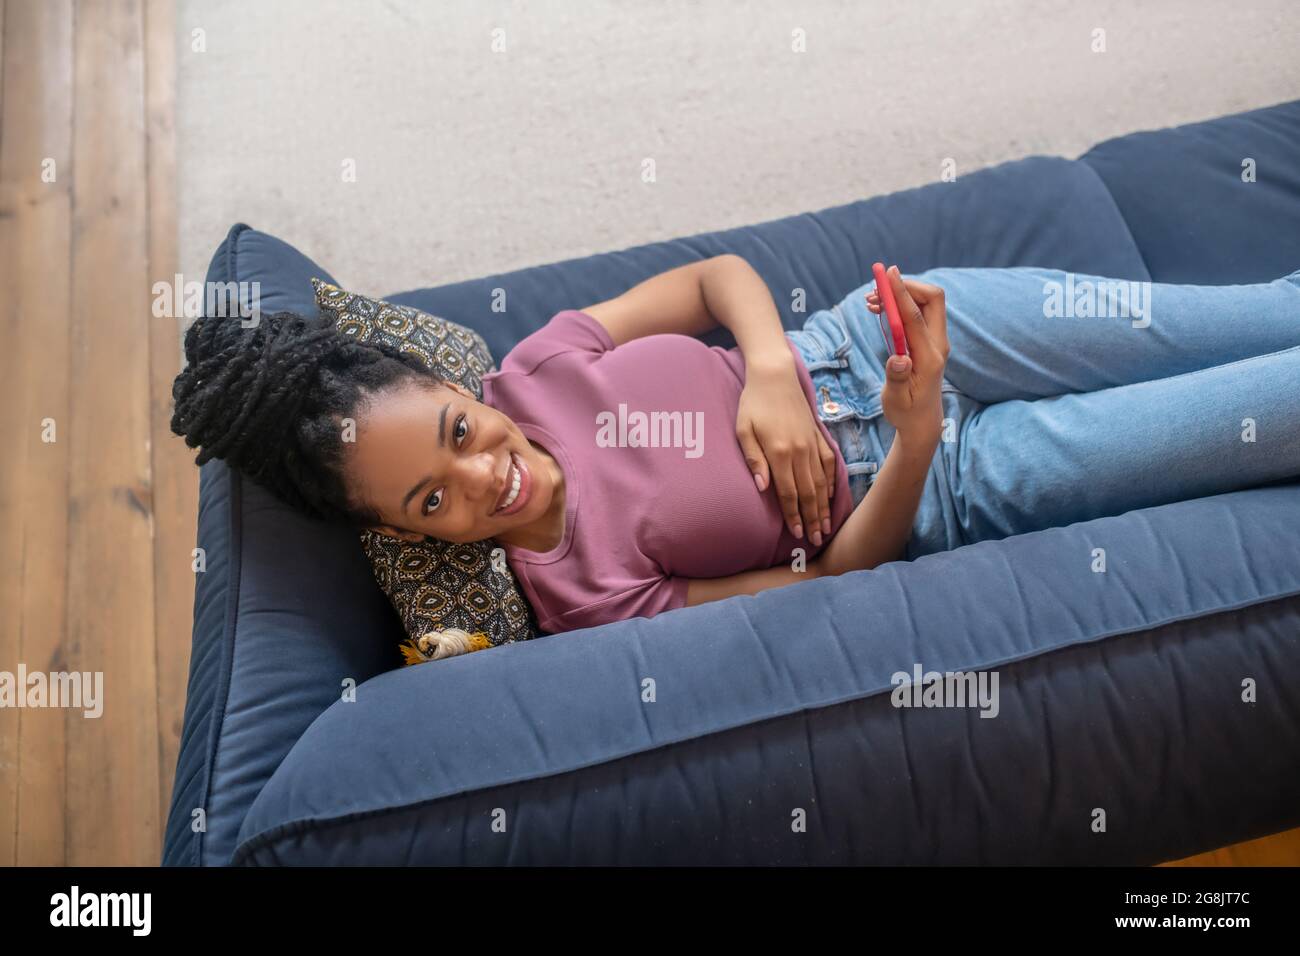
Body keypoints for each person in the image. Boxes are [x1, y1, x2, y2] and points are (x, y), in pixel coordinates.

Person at [171, 256, 1300, 635]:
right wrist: (911, 440)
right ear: (397, 532)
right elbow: (835, 577)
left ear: (456, 389)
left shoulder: (541, 365)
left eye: (460, 433)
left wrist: (765, 366)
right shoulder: (584, 597)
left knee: (1260, 313)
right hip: (944, 482)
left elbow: (716, 281)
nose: (483, 477)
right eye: (431, 503)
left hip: (867, 338)